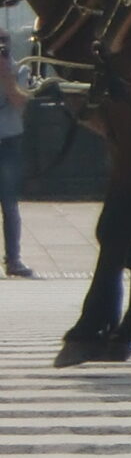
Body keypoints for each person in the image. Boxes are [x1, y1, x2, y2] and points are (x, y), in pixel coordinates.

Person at [0, 29, 30, 277]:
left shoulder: (20, 70)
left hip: (8, 141)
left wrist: (6, 77)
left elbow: (20, 103)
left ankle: (13, 259)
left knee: (9, 204)